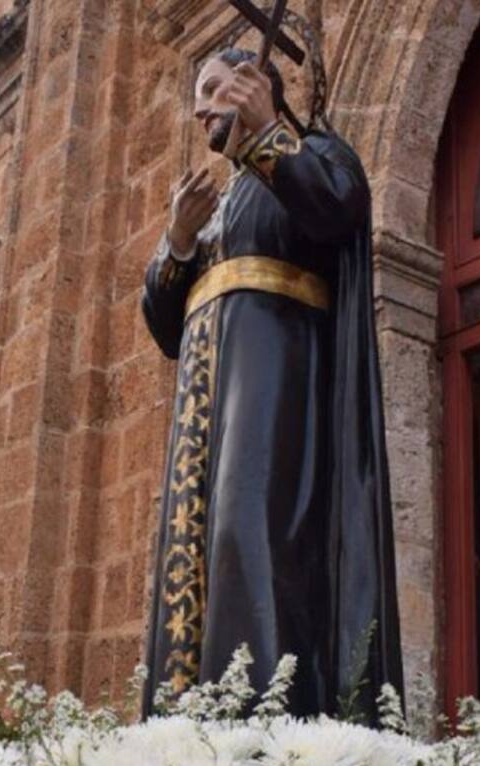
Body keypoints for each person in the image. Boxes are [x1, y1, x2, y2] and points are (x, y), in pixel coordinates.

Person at [141, 42, 403, 720]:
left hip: (279, 389)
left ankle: (270, 719)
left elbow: (337, 208)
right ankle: (191, 725)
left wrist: (266, 134)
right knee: (197, 555)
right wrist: (176, 241)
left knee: (254, 536)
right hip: (205, 410)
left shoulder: (311, 153)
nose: (199, 110)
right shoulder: (220, 209)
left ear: (256, 86)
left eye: (213, 89)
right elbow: (167, 330)